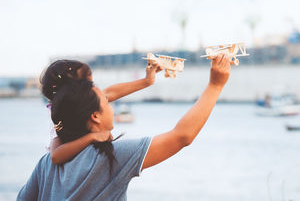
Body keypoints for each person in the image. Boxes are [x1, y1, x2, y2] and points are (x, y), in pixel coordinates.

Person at [17, 54, 231, 200]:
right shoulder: (110, 158)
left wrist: (146, 82)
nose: (111, 103)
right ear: (95, 116)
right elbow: (181, 136)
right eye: (106, 101)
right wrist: (216, 85)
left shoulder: (45, 165)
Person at [41, 59, 162, 164]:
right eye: (89, 84)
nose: (95, 89)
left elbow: (110, 93)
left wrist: (147, 81)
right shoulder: (61, 118)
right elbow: (56, 156)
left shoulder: (82, 102)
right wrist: (92, 137)